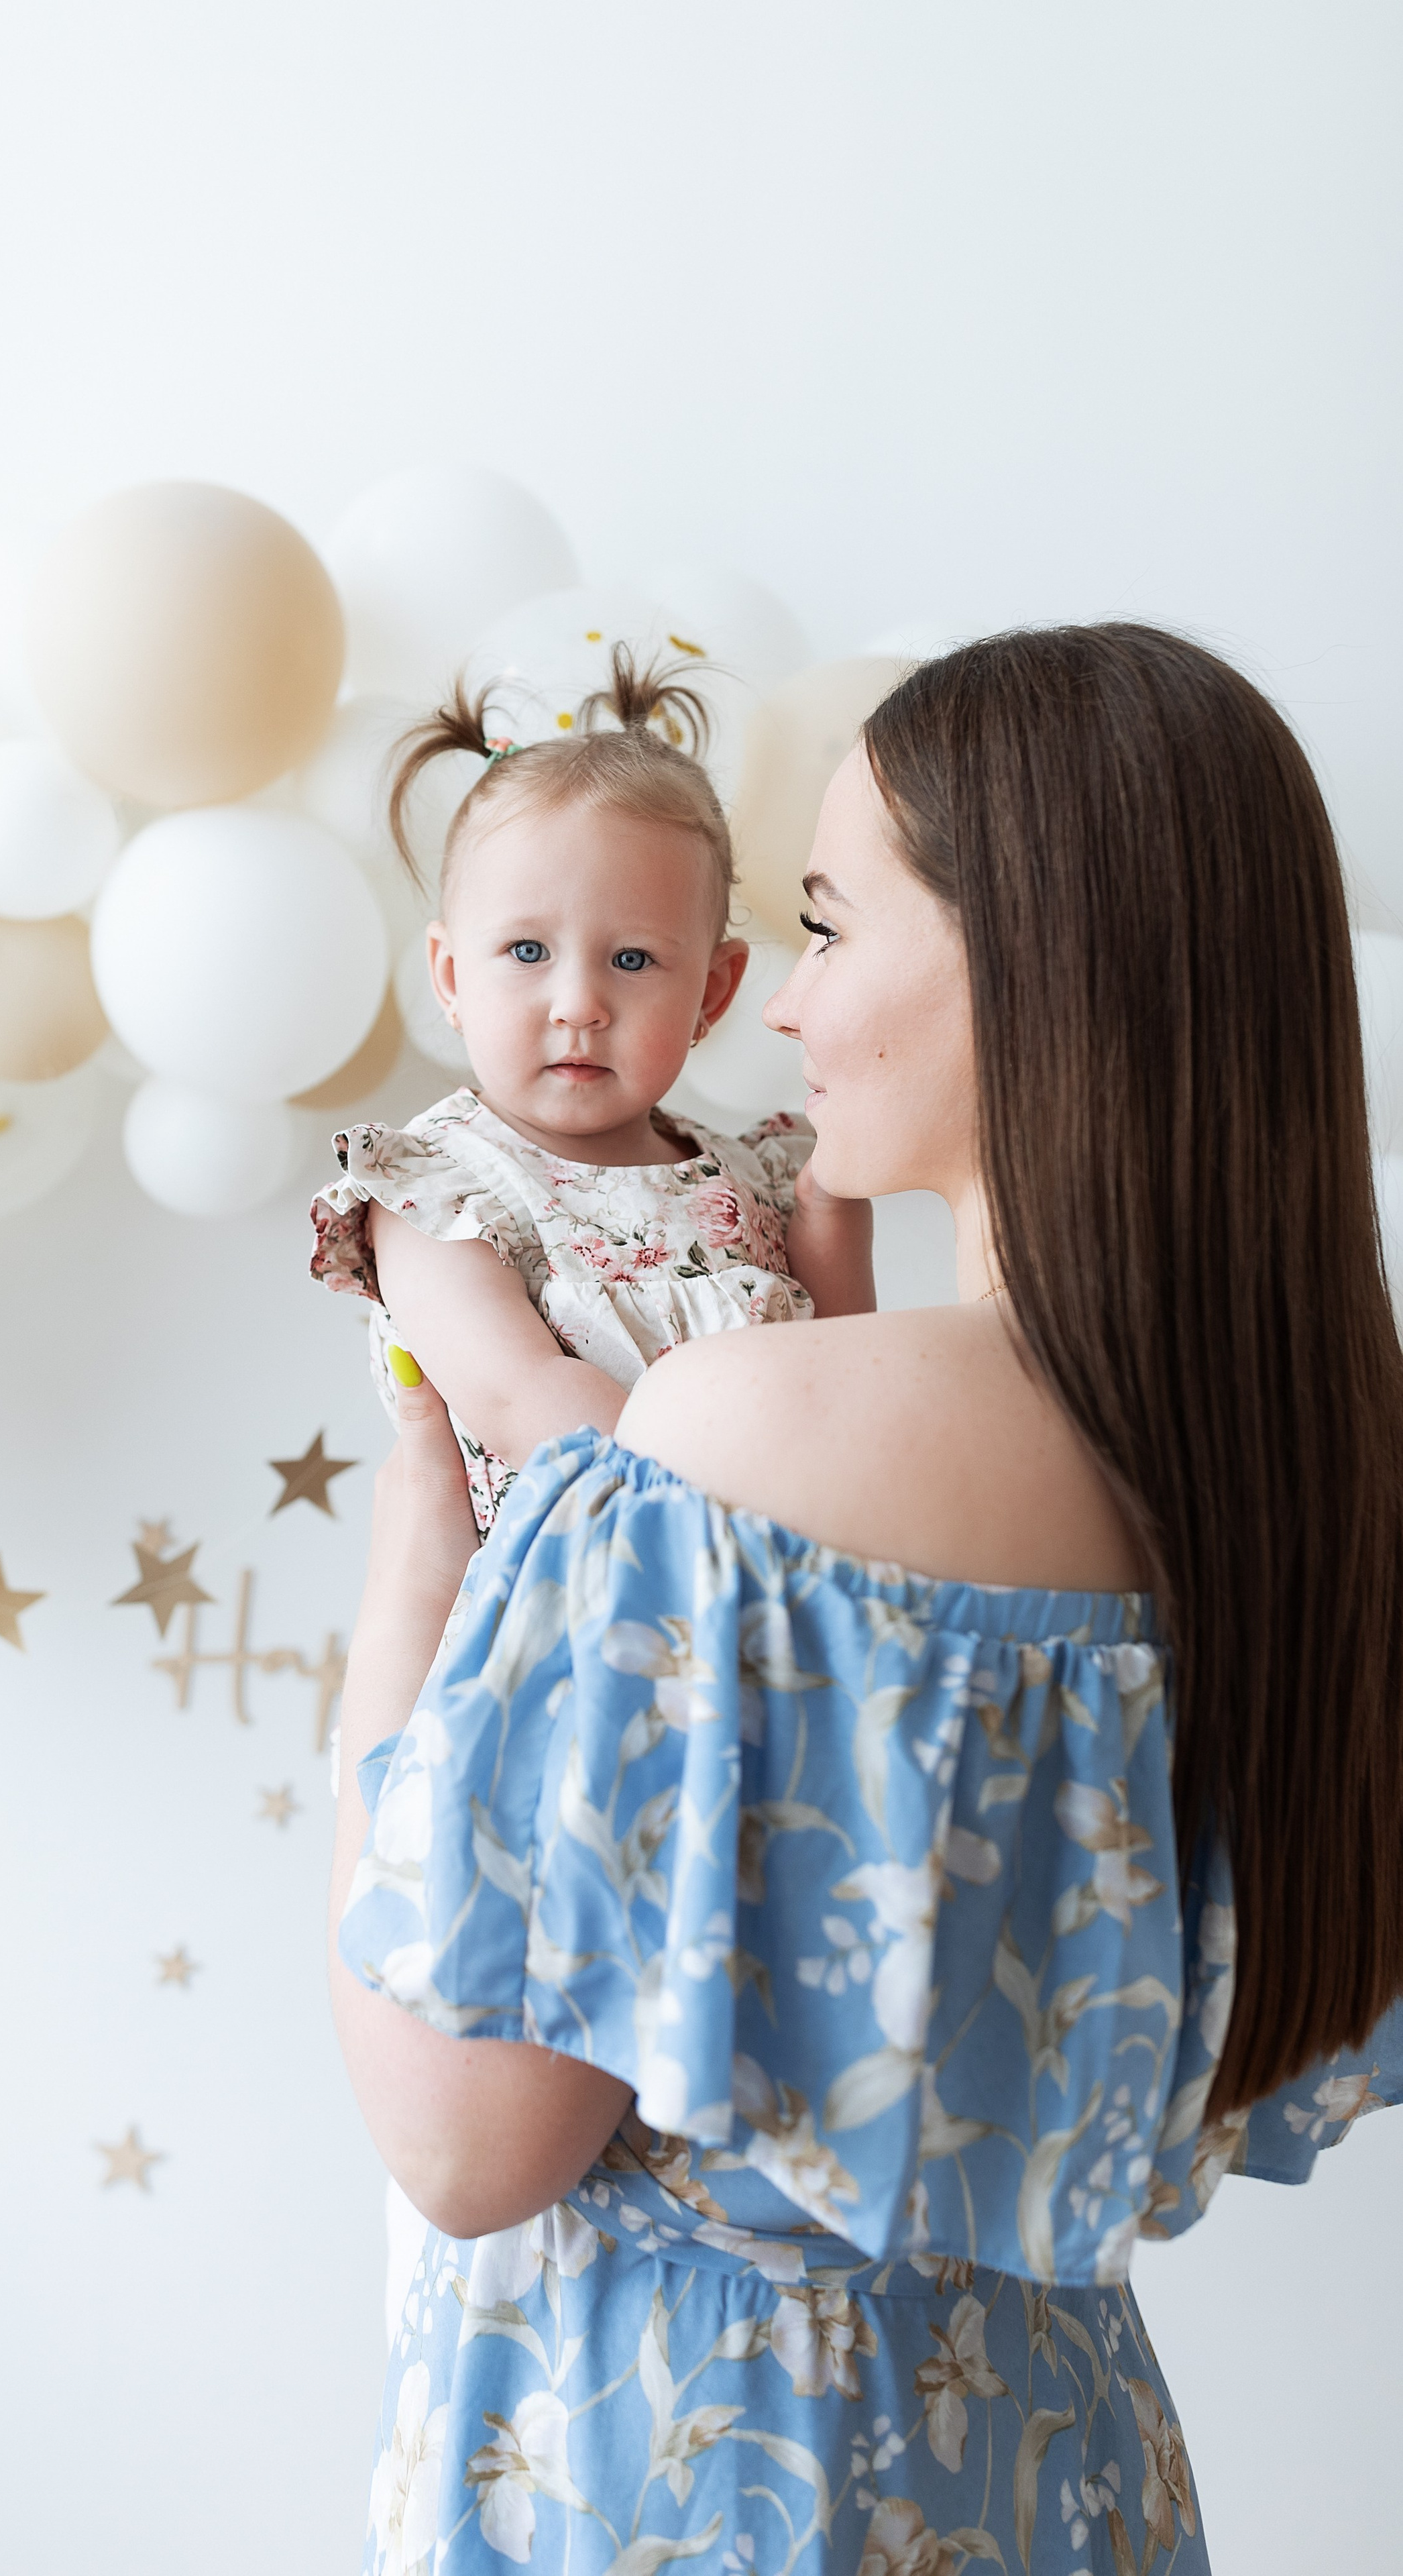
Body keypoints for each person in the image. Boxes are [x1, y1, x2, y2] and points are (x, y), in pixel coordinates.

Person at [329, 625, 1403, 2574]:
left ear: (1032, 965)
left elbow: (467, 2145)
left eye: (824, 930)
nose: (788, 1012)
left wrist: (422, 1559)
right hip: (1053, 2476)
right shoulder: (1313, 1471)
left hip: (686, 2475)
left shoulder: (730, 1442)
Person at [309, 647, 876, 1538]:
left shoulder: (758, 1182)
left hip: (773, 1580)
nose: (580, 1005)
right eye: (528, 952)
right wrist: (737, 1511)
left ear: (713, 995)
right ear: (452, 976)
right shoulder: (439, 1192)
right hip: (583, 1607)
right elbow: (523, 1396)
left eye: (633, 959)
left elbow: (843, 1380)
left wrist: (834, 1221)